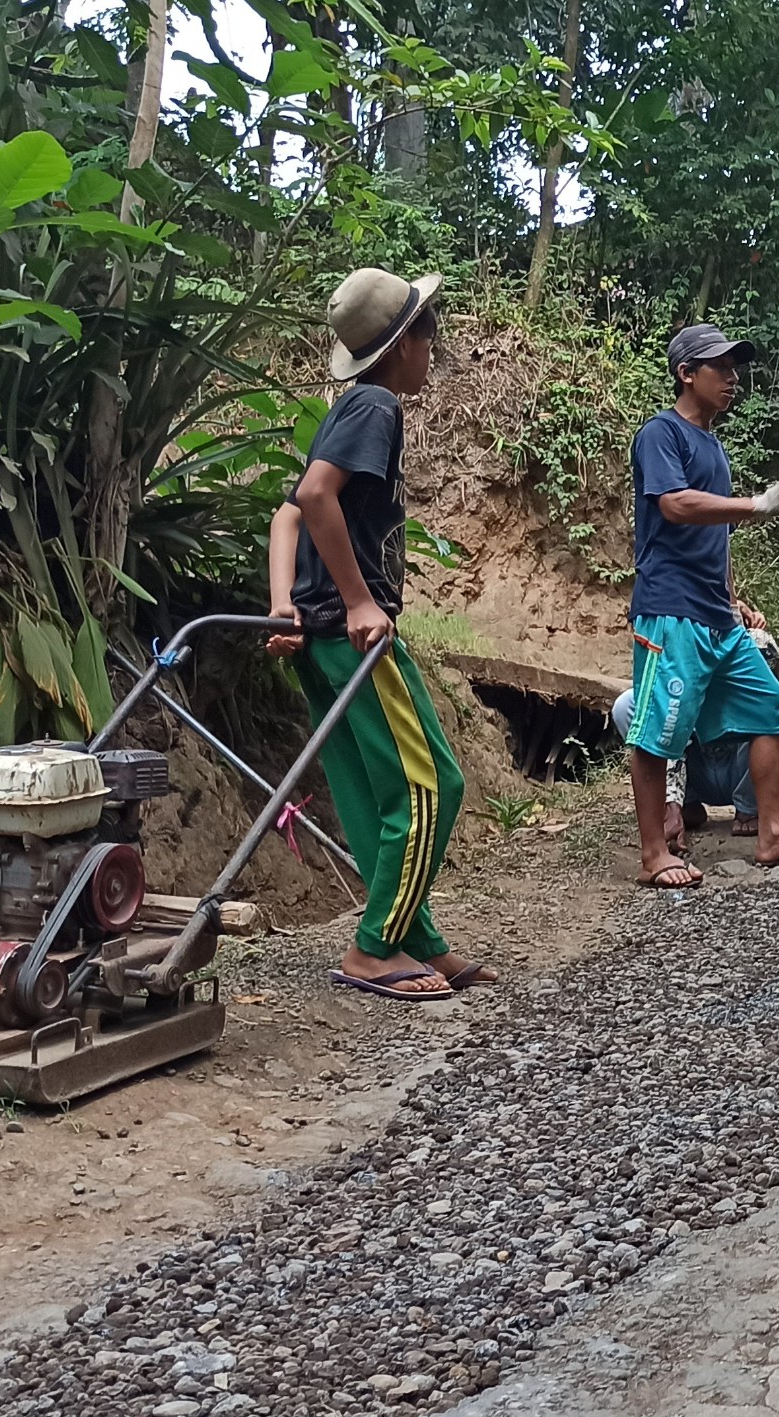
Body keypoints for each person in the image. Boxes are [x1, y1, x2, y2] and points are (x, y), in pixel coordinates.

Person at [263, 267, 495, 999]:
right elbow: (312, 496)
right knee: (432, 786)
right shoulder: (376, 408)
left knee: (370, 795)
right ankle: (373, 947)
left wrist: (282, 604)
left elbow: (288, 511)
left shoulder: (348, 405)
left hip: (321, 631)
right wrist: (361, 602)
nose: (434, 350)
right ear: (404, 345)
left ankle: (416, 938)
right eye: (431, 336)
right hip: (353, 633)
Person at [626, 323, 779, 888]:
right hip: (670, 614)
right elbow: (674, 505)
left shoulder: (713, 446)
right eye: (720, 367)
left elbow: (714, 536)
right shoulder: (660, 435)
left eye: (735, 368)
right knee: (656, 732)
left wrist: (731, 596)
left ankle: (772, 833)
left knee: (772, 708)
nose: (733, 379)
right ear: (685, 373)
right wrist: (760, 502)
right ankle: (653, 856)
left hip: (717, 617)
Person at [610, 597, 779, 845]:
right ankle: (681, 804)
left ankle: (751, 806)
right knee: (628, 705)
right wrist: (672, 798)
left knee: (770, 708)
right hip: (696, 765)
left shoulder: (753, 642)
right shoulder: (674, 643)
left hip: (741, 766)